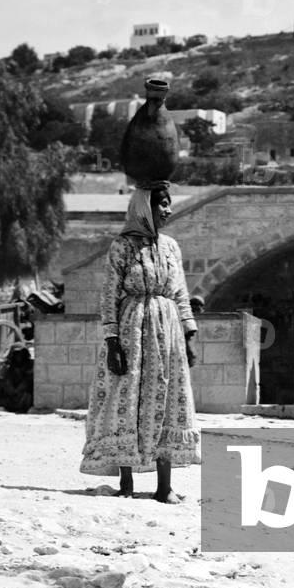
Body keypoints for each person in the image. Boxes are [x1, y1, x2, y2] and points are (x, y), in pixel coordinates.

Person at [80, 183, 200, 501]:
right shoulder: (122, 247)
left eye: (169, 204)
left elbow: (180, 293)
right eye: (161, 204)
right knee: (127, 399)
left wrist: (189, 335)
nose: (167, 209)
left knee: (169, 398)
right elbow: (109, 296)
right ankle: (127, 484)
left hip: (168, 331)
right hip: (133, 328)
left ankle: (164, 486)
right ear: (144, 207)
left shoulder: (171, 247)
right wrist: (112, 341)